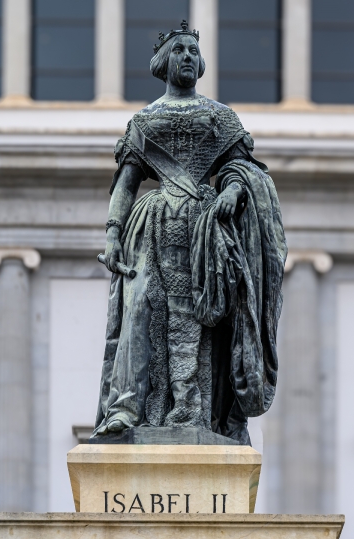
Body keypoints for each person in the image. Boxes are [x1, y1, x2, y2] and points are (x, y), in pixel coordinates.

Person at [92, 21, 287, 444]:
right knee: (140, 307)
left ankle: (194, 412)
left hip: (203, 229)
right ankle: (126, 408)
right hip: (152, 225)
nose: (188, 56)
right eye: (179, 50)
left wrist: (234, 190)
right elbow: (126, 185)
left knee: (200, 318)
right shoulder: (143, 122)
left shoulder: (221, 117)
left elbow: (246, 170)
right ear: (163, 62)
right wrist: (111, 233)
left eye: (194, 52)